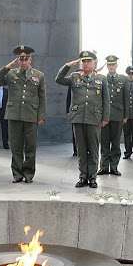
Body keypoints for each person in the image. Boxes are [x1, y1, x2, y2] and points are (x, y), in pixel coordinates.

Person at [56, 50, 109, 188]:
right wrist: (68, 65)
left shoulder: (101, 79)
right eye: (83, 61)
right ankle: (83, 176)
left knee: (93, 148)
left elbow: (106, 100)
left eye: (88, 61)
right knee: (81, 149)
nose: (86, 64)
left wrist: (105, 118)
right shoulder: (74, 77)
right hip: (78, 117)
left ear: (94, 63)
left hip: (94, 117)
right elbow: (59, 79)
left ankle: (92, 177)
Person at [0, 45, 46, 183]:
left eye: (26, 59)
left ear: (30, 59)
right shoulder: (11, 74)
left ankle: (28, 174)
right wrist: (6, 68)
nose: (23, 62)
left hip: (30, 114)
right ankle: (17, 174)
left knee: (30, 146)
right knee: (16, 146)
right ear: (17, 60)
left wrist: (41, 115)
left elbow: (42, 97)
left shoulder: (39, 76)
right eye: (21, 59)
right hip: (14, 114)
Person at [97, 55, 128, 176]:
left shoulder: (123, 79)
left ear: (116, 65)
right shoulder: (102, 79)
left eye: (113, 64)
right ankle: (104, 166)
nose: (111, 67)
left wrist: (126, 115)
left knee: (115, 143)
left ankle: (114, 166)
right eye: (109, 65)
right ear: (107, 66)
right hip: (105, 116)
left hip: (118, 115)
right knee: (104, 142)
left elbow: (126, 98)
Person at [66, 86, 77, 156]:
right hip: (75, 111)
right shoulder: (74, 80)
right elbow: (69, 97)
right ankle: (76, 150)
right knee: (75, 132)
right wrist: (67, 110)